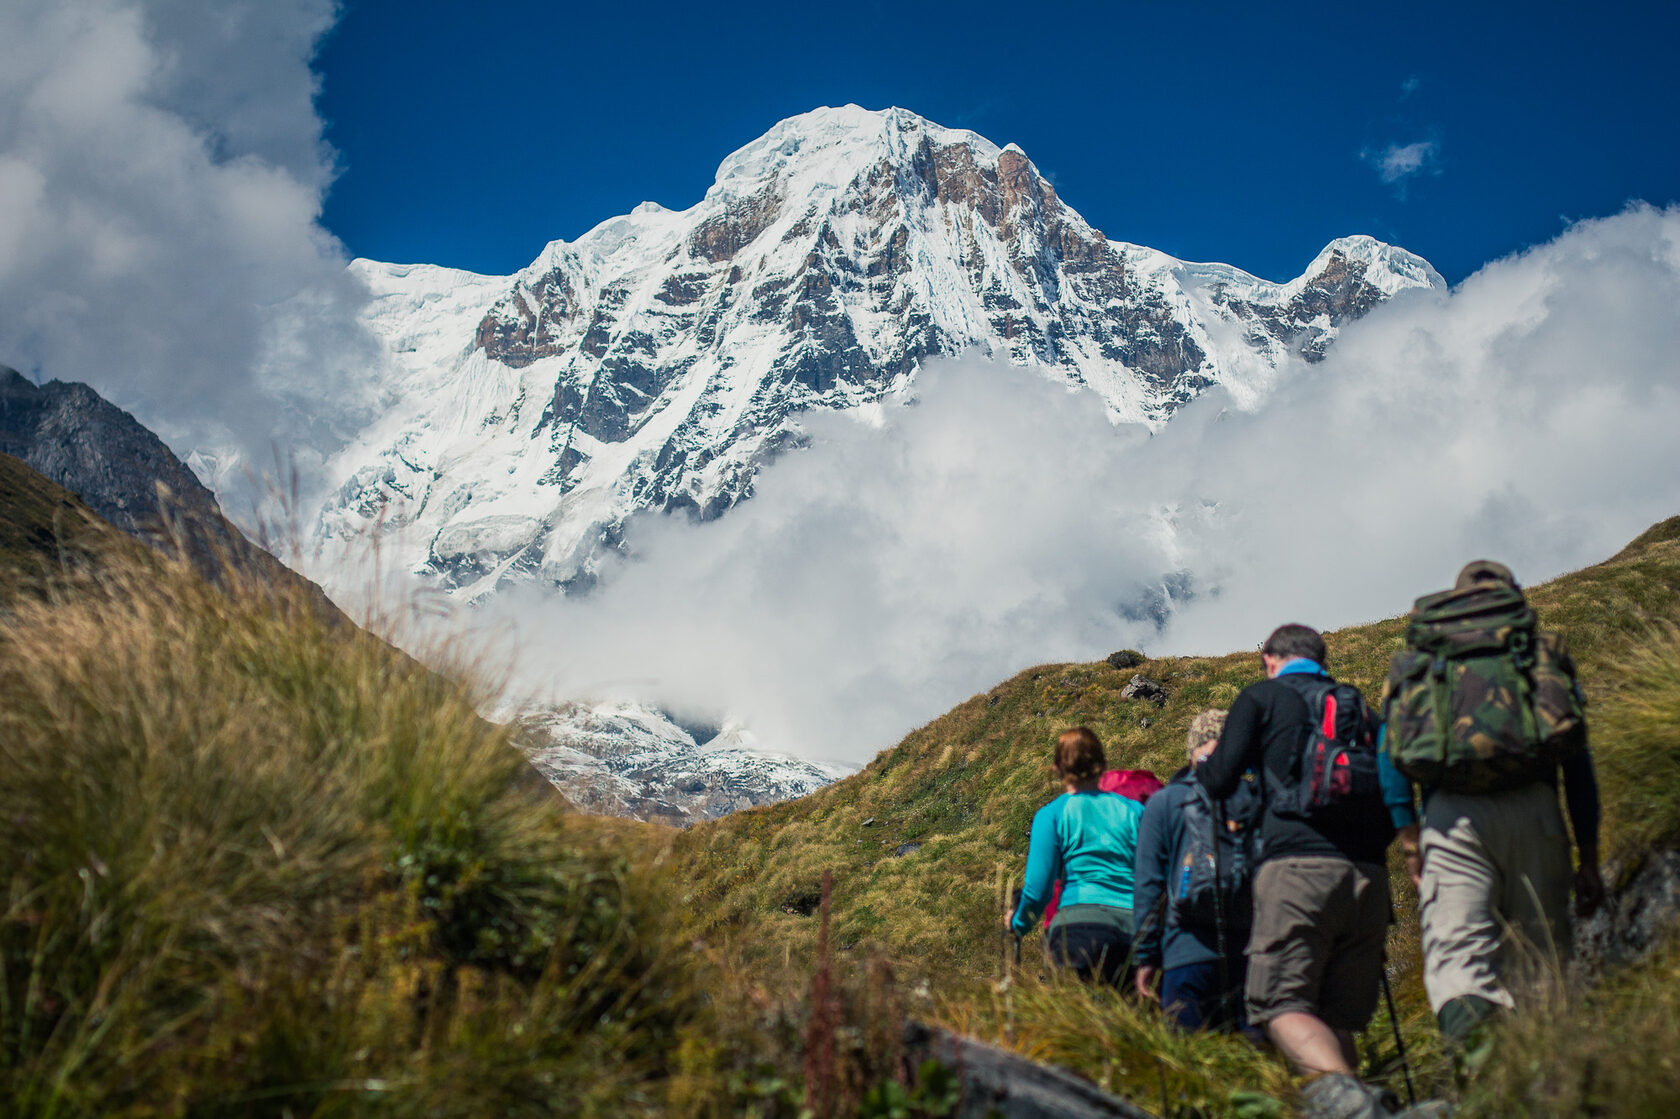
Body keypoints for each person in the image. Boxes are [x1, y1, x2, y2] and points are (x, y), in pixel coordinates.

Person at [1381, 560, 1605, 1046]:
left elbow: (1391, 760)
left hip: (1450, 816)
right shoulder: (1537, 651)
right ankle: (1552, 1081)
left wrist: (1411, 840)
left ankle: (1482, 1078)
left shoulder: (1425, 658)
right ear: (1510, 597)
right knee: (1543, 959)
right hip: (1536, 809)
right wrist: (1587, 857)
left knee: (1458, 963)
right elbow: (1577, 760)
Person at [1198, 624, 1399, 1119]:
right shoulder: (1357, 705)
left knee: (1280, 1006)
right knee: (1337, 1021)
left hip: (1297, 870)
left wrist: (1203, 772)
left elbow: (1220, 777)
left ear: (1270, 658)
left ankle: (1355, 1104)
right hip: (1369, 876)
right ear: (1321, 658)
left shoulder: (1262, 697)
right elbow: (1393, 783)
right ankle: (1359, 1102)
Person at [1133, 708, 1257, 1032]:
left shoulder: (1165, 802)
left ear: (1191, 751)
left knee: (1187, 1066)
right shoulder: (1254, 798)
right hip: (1250, 955)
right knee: (1254, 1067)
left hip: (1185, 953)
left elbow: (1149, 886)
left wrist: (1146, 956)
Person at [1009, 726, 1145, 986]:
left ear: (1057, 768)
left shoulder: (1051, 815)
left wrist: (1018, 923)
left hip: (1077, 928)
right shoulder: (1134, 810)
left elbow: (1038, 891)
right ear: (1103, 765)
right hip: (1132, 928)